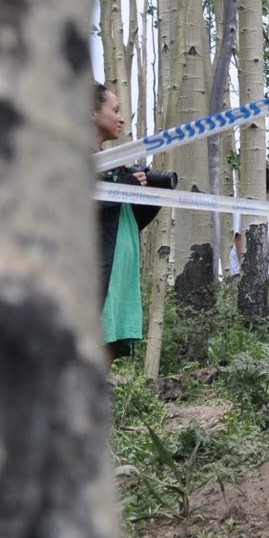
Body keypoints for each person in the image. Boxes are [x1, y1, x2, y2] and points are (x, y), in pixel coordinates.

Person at [96, 84, 162, 362]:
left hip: (120, 270)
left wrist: (151, 193)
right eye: (115, 110)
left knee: (110, 341)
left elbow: (131, 219)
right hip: (95, 270)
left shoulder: (111, 165)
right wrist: (125, 184)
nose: (122, 118)